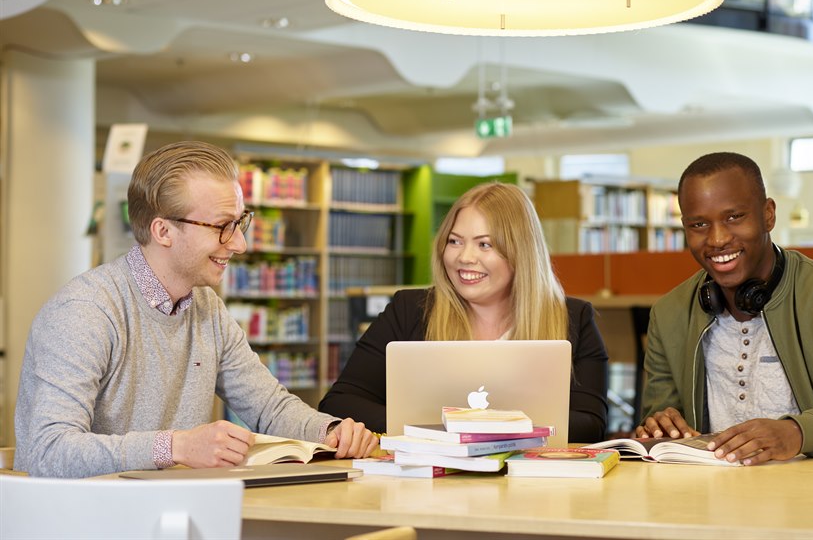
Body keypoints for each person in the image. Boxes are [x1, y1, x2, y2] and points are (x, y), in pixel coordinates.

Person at [15, 141, 377, 478]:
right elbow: (48, 451)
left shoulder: (207, 309)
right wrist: (177, 447)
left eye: (240, 222)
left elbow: (269, 407)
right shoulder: (84, 312)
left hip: (172, 508)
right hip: (90, 515)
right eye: (222, 226)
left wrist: (330, 432)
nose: (240, 244)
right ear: (163, 232)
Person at [636, 152, 813, 465]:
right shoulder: (668, 314)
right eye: (698, 224)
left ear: (768, 215)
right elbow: (659, 421)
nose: (717, 239)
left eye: (734, 217)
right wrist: (660, 427)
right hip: (710, 487)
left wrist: (797, 433)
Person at [319, 182, 609, 442]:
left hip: (530, 477)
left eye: (485, 244)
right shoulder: (409, 310)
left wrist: (477, 428)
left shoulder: (573, 318)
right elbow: (340, 401)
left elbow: (590, 424)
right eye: (454, 241)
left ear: (521, 252)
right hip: (428, 478)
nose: (464, 257)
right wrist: (440, 431)